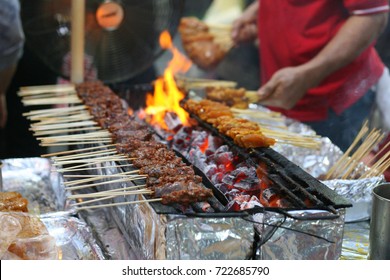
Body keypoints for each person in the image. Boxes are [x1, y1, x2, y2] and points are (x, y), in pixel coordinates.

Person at [231, 0, 389, 152]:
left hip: (332, 98)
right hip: (281, 90)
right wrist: (258, 10)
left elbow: (371, 17)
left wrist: (310, 73)